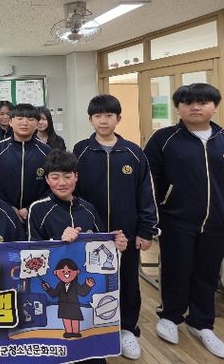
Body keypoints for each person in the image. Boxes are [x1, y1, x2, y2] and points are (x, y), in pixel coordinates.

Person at [144, 83, 224, 360]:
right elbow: (149, 178)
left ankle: (202, 323)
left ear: (215, 106)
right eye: (188, 103)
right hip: (176, 220)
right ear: (179, 108)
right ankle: (170, 316)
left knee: (208, 273)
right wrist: (156, 210)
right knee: (176, 268)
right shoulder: (164, 139)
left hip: (219, 221)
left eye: (203, 102)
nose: (196, 107)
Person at [72, 94, 158, 360]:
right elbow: (72, 192)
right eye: (98, 116)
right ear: (90, 119)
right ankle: (92, 328)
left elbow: (146, 193)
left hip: (126, 233)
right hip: (90, 235)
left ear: (118, 118)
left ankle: (127, 329)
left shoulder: (133, 152)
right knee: (89, 282)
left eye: (109, 115)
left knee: (128, 281)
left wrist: (146, 230)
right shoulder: (80, 151)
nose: (103, 121)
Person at [27, 150, 127, 251]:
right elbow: (32, 252)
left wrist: (115, 243)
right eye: (55, 178)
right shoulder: (37, 209)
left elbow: (101, 245)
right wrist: (60, 241)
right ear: (47, 179)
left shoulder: (89, 209)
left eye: (67, 177)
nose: (62, 183)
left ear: (76, 176)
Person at [0, 103, 50, 221]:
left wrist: (30, 208)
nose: (25, 123)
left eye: (30, 119)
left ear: (37, 124)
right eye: (19, 118)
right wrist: (8, 207)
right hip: (3, 212)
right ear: (10, 122)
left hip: (37, 213)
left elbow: (51, 185)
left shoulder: (46, 151)